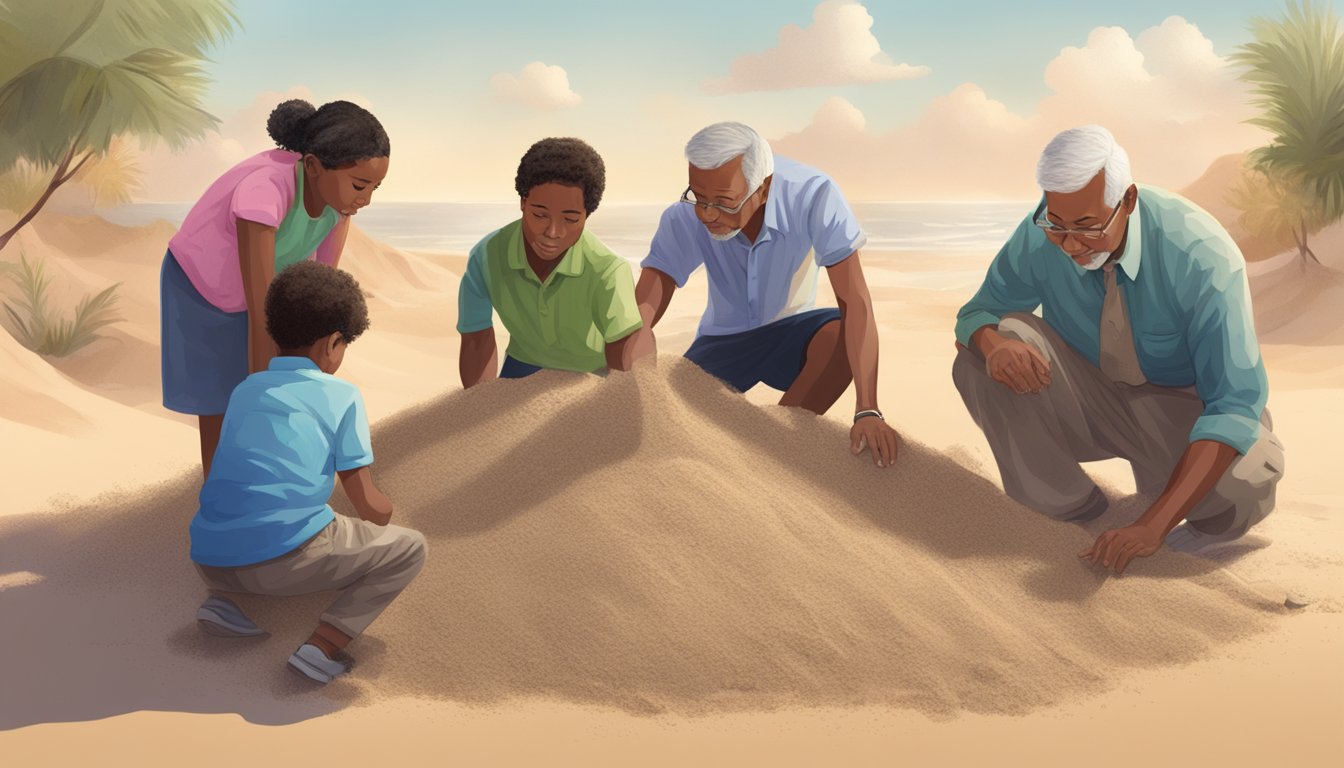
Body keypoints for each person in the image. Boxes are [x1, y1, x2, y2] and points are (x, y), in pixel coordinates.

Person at [951, 125, 1285, 575]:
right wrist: (992, 345)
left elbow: (1234, 405)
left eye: (1087, 227)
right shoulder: (1043, 229)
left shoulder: (1201, 253)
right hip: (1090, 399)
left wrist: (1152, 527)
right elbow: (978, 313)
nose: (1069, 243)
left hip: (1180, 414)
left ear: (1127, 200)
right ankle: (1069, 510)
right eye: (1057, 225)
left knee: (1248, 481)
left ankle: (1197, 525)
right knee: (988, 349)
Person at [190, 261, 425, 685]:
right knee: (409, 548)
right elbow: (368, 505)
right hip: (282, 563)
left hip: (209, 558)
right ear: (332, 343)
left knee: (252, 520)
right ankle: (322, 647)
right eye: (343, 344)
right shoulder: (341, 395)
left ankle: (222, 604)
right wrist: (389, 513)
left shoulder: (245, 390)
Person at [632, 122, 899, 467]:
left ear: (763, 188)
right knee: (670, 416)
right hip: (722, 339)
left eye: (724, 203)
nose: (707, 214)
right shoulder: (688, 212)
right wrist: (639, 328)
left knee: (839, 334)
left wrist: (868, 409)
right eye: (699, 198)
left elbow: (855, 301)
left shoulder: (814, 194)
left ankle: (773, 449)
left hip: (794, 333)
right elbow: (659, 278)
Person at [161, 99, 390, 477]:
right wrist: (266, 393)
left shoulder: (338, 207)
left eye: (375, 187)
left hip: (263, 291)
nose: (366, 199)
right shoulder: (264, 190)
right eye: (360, 185)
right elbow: (260, 307)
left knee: (285, 375)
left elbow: (317, 293)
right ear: (314, 166)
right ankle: (222, 492)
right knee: (223, 399)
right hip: (201, 288)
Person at [457, 137, 647, 386]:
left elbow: (623, 357)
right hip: (521, 366)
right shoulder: (486, 256)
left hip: (592, 373)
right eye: (539, 215)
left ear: (586, 215)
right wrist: (478, 406)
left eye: (570, 219)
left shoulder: (608, 270)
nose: (553, 232)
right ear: (523, 203)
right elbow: (476, 339)